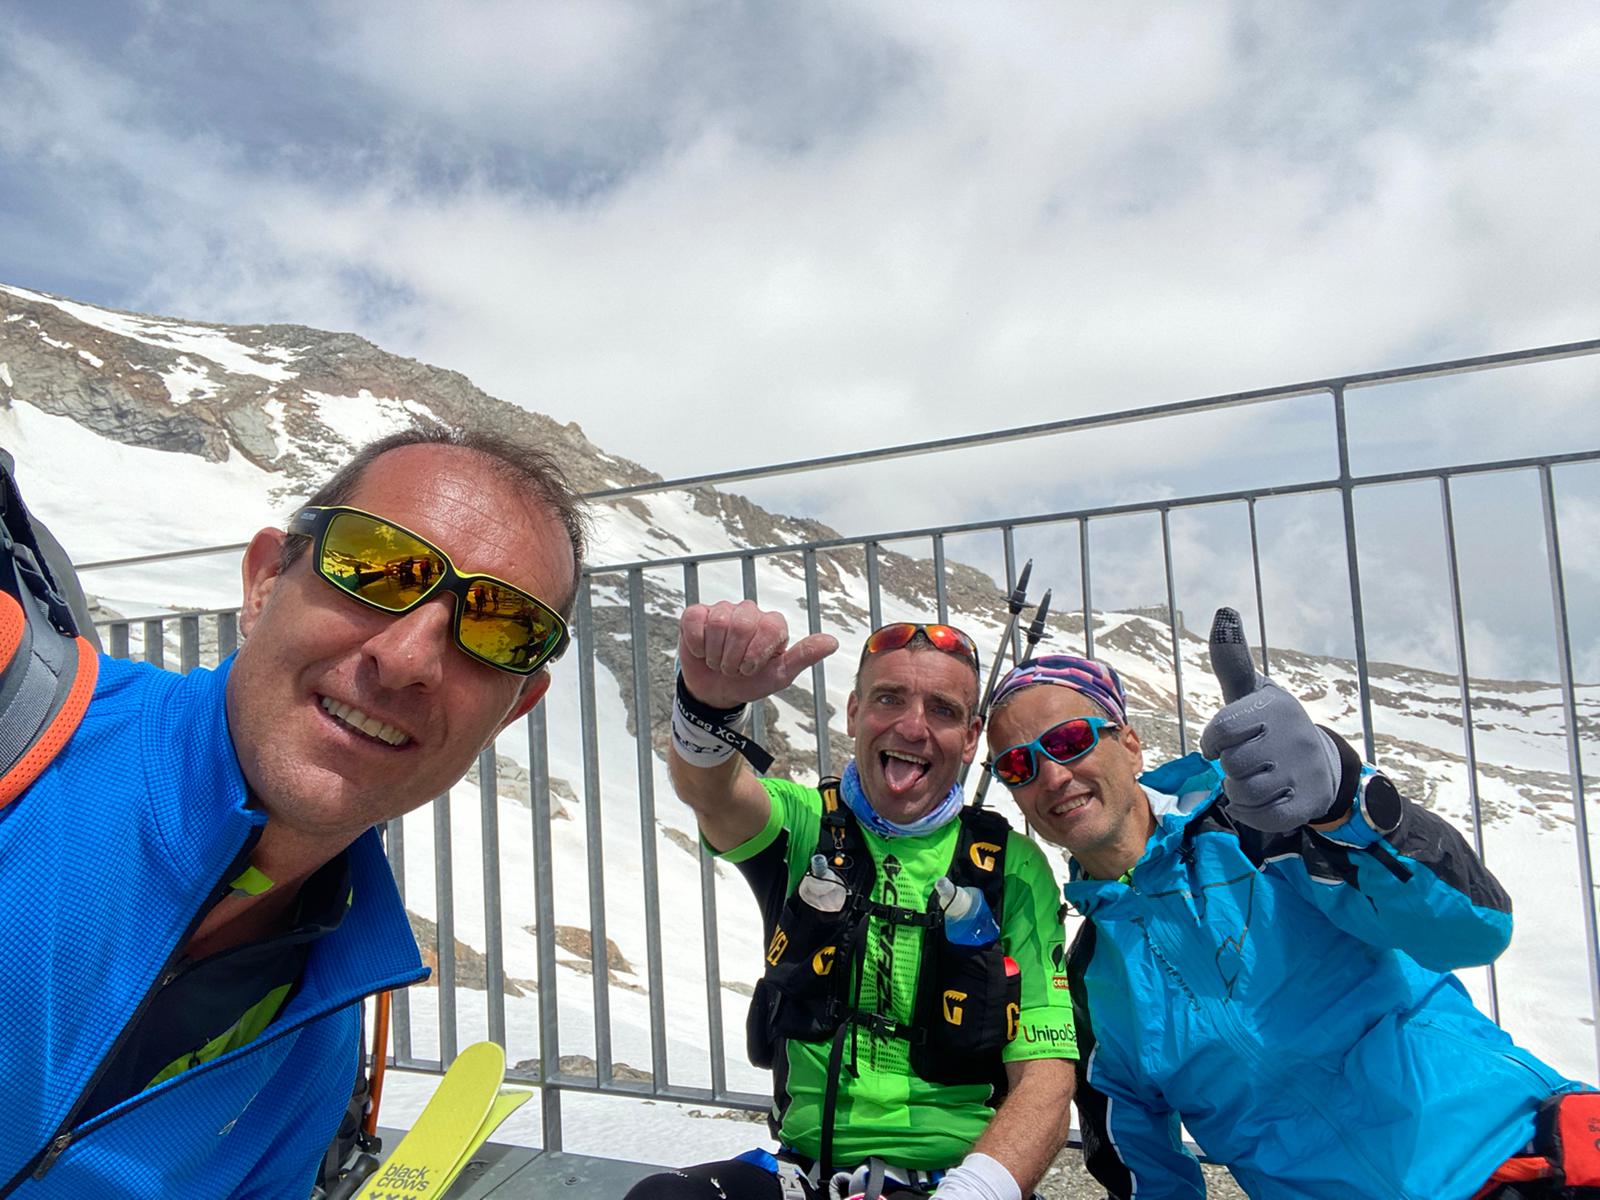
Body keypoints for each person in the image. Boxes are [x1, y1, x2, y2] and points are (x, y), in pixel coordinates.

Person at [0, 427, 586, 1199]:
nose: (407, 659)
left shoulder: (314, 1049)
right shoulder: (22, 721)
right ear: (265, 581)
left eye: (501, 627)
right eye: (374, 567)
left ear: (513, 710)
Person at [983, 645, 1597, 1200]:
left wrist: (1345, 804)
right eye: (1017, 766)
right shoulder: (1088, 989)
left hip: (1519, 1156)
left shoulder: (1261, 826)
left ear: (1130, 742)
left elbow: (1476, 929)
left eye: (1069, 741)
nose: (1051, 776)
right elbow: (1143, 1173)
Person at [626, 607, 1076, 1200]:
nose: (912, 728)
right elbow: (713, 792)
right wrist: (708, 709)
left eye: (942, 710)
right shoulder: (805, 823)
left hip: (957, 1177)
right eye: (889, 699)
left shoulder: (1011, 866)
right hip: (803, 1174)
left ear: (970, 740)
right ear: (854, 711)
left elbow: (1046, 1077)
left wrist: (970, 1192)